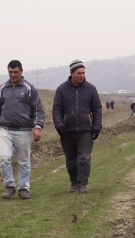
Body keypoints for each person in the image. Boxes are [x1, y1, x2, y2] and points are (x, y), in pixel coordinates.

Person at [0, 60, 45, 200]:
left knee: (24, 161)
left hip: (24, 130)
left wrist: (38, 127)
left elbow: (38, 109)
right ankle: (9, 186)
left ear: (21, 71)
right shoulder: (2, 89)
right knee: (3, 157)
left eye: (16, 72)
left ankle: (23, 188)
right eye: (10, 72)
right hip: (5, 129)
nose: (13, 75)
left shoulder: (29, 89)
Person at [52, 60, 103, 194]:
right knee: (71, 161)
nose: (82, 76)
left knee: (84, 158)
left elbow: (97, 108)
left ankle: (83, 183)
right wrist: (59, 125)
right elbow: (56, 109)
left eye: (83, 73)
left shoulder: (91, 89)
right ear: (72, 73)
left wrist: (97, 126)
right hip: (67, 131)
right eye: (79, 73)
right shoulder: (61, 90)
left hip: (86, 130)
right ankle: (74, 183)